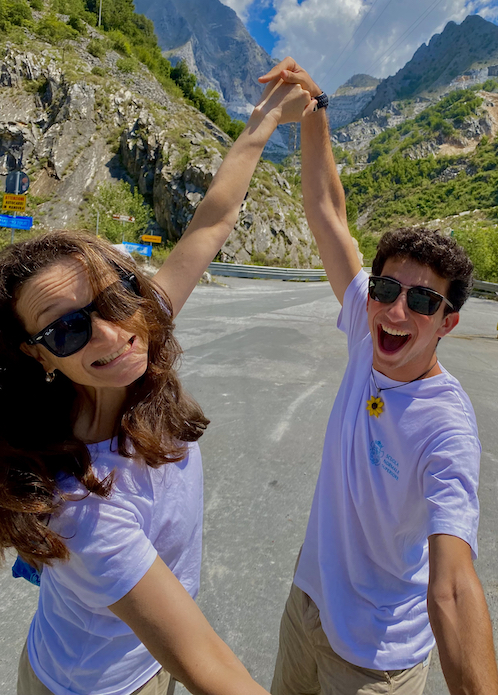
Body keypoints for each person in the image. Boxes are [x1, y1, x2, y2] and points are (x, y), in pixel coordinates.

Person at [0, 77, 314, 695]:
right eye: (65, 332)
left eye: (115, 296)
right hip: (94, 686)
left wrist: (265, 120)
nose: (109, 335)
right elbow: (207, 663)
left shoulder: (134, 324)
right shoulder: (82, 506)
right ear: (37, 356)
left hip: (128, 662)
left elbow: (212, 221)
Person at [258, 59, 498, 695]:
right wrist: (315, 108)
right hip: (305, 608)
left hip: (372, 660)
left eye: (423, 302)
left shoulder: (447, 425)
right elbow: (325, 209)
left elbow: (451, 582)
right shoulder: (368, 335)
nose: (397, 311)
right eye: (388, 288)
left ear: (447, 323)